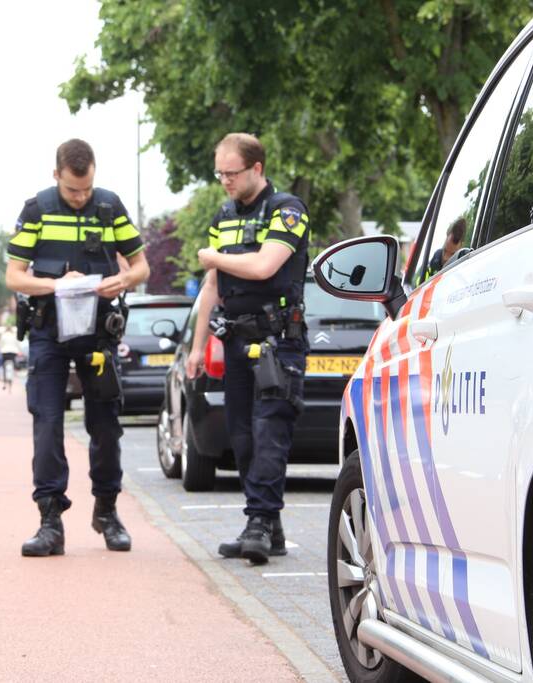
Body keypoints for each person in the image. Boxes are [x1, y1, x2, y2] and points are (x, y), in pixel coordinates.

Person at [5, 138, 149, 557]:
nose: (81, 197)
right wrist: (54, 285)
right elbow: (14, 276)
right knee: (47, 423)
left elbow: (142, 264)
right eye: (72, 190)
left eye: (86, 188)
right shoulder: (37, 210)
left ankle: (107, 511)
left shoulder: (109, 206)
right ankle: (50, 520)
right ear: (56, 176)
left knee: (105, 424)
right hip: (49, 330)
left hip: (98, 332)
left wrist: (124, 280)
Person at [188, 133, 309, 565]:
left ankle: (257, 521)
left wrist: (214, 257)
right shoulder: (224, 215)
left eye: (231, 173)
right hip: (235, 340)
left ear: (256, 168)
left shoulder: (287, 210)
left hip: (278, 340)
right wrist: (198, 345)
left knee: (269, 431)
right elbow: (212, 285)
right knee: (240, 436)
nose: (224, 181)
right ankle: (269, 526)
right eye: (219, 173)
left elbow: (264, 265)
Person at [419, 217, 466, 284]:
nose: (446, 258)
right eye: (445, 252)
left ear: (461, 245)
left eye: (452, 255)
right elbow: (423, 282)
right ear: (447, 235)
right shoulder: (436, 256)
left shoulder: (462, 263)